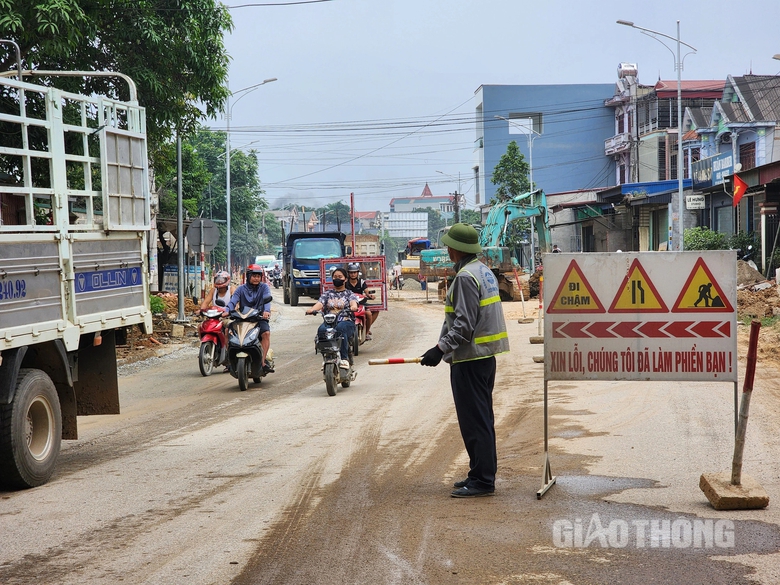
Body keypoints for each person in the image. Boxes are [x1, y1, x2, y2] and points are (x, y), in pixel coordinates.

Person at [419, 223, 509, 498]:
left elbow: (464, 324)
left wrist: (440, 349)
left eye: (449, 245)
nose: (446, 249)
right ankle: (479, 473)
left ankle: (482, 481)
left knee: (475, 421)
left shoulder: (467, 277)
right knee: (481, 419)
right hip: (482, 358)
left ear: (457, 249)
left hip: (470, 360)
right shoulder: (483, 271)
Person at [223, 264, 274, 373]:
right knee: (228, 331)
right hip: (242, 319)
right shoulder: (240, 289)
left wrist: (266, 311)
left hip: (259, 318)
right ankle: (230, 361)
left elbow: (267, 301)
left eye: (258, 276)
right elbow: (233, 301)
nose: (256, 278)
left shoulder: (264, 287)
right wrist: (227, 311)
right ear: (248, 276)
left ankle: (263, 362)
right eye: (254, 276)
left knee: (266, 334)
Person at [306, 267, 358, 369]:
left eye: (340, 277)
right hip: (329, 321)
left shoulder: (349, 294)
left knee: (340, 329)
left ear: (345, 279)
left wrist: (353, 307)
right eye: (335, 277)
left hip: (346, 321)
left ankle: (344, 358)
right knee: (321, 330)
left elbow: (353, 303)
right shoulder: (327, 294)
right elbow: (320, 304)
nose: (337, 279)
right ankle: (326, 357)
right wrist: (312, 310)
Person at [345, 262, 377, 340]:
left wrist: (370, 295)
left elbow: (366, 291)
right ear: (348, 273)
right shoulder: (345, 283)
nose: (353, 274)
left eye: (354, 272)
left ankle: (366, 332)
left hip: (360, 303)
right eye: (351, 273)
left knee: (371, 313)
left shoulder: (361, 282)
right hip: (348, 304)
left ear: (357, 273)